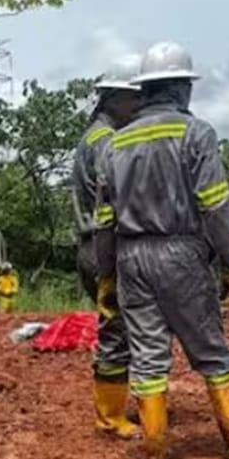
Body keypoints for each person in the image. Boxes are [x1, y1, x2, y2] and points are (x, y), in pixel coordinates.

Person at [95, 41, 229, 459]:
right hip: (182, 252)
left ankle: (157, 451)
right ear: (182, 88)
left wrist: (107, 274)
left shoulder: (115, 144)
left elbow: (104, 220)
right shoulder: (196, 133)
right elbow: (216, 205)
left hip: (131, 257)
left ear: (145, 89)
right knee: (211, 350)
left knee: (147, 355)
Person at [72, 55, 141, 439]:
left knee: (120, 327)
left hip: (93, 246)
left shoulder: (95, 136)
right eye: (134, 98)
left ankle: (115, 409)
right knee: (118, 328)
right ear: (114, 98)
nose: (139, 106)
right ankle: (110, 417)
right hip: (105, 247)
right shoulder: (107, 141)